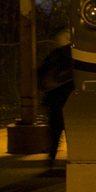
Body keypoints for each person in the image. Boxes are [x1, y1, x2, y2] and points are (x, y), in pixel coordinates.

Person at [38, 31, 74, 169]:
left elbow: (41, 72)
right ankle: (73, 157)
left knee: (55, 129)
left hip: (54, 97)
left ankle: (51, 157)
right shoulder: (75, 54)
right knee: (70, 129)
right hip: (69, 97)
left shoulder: (54, 55)